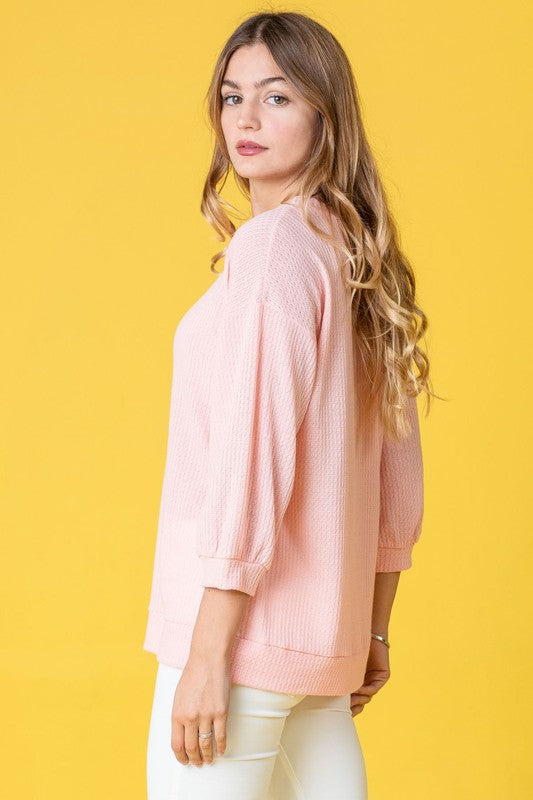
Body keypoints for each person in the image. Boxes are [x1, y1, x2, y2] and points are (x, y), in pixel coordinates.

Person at [143, 11, 436, 799]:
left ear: (324, 113)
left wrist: (207, 656)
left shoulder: (272, 250)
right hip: (322, 655)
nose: (245, 117)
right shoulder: (357, 257)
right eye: (232, 96)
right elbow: (394, 484)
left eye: (276, 97)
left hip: (239, 651)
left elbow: (250, 457)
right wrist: (373, 629)